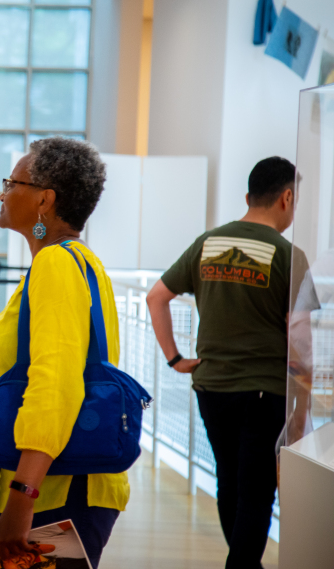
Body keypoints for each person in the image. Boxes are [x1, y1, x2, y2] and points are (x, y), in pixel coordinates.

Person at [146, 156, 299, 569]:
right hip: (265, 390)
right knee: (257, 488)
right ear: (287, 198)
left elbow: (156, 297)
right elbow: (296, 330)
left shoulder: (208, 243)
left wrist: (175, 358)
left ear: (248, 196)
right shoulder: (287, 254)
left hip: (211, 387)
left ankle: (243, 564)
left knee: (229, 480)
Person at [0, 138, 125, 567]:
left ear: (44, 199)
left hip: (55, 493)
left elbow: (56, 382)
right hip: (64, 485)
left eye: (13, 182)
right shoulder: (80, 262)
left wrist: (22, 500)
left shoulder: (55, 265)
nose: (4, 192)